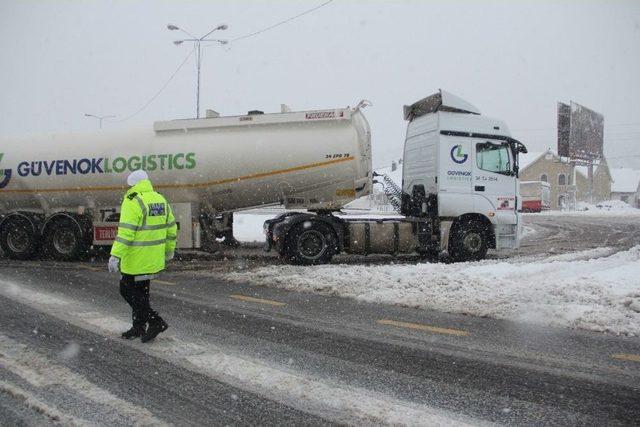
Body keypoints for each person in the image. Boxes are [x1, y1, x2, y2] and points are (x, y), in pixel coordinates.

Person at [108, 170, 177, 342]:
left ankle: (156, 321)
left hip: (137, 258)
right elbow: (171, 228)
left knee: (126, 289)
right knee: (141, 292)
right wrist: (169, 250)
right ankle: (138, 327)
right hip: (153, 258)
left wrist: (115, 255)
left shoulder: (133, 200)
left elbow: (126, 233)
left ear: (132, 184)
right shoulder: (159, 199)